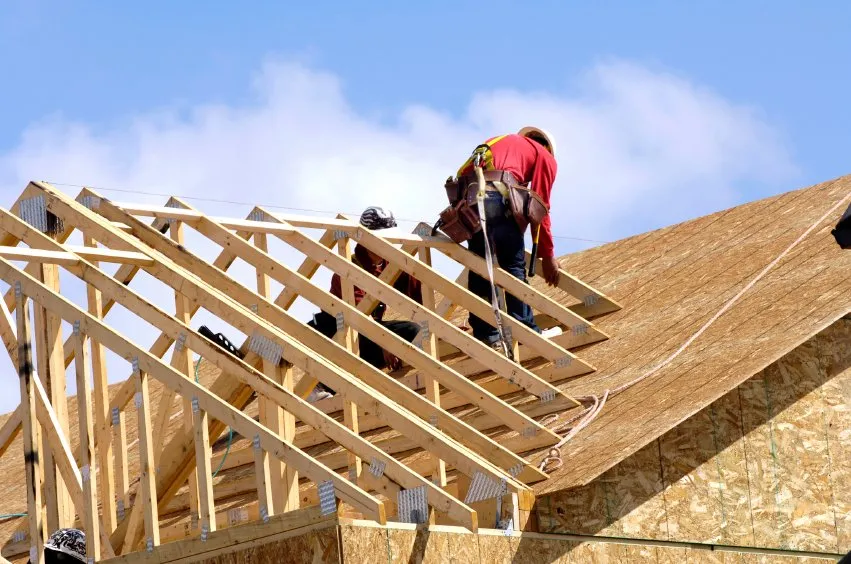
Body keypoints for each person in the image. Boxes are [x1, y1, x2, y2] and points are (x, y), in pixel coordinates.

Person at [453, 126, 562, 350]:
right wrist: (548, 255)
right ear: (547, 148)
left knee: (481, 269)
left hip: (470, 204)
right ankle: (526, 331)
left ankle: (487, 335)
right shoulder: (544, 157)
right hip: (497, 198)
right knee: (513, 266)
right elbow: (539, 206)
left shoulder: (499, 142)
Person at [307, 206, 424, 401]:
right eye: (381, 238)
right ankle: (319, 384)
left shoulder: (389, 264)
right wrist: (386, 341)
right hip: (344, 333)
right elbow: (358, 315)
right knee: (334, 329)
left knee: (413, 331)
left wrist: (444, 331)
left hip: (370, 334)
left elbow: (419, 296)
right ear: (366, 239)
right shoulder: (348, 270)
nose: (387, 243)